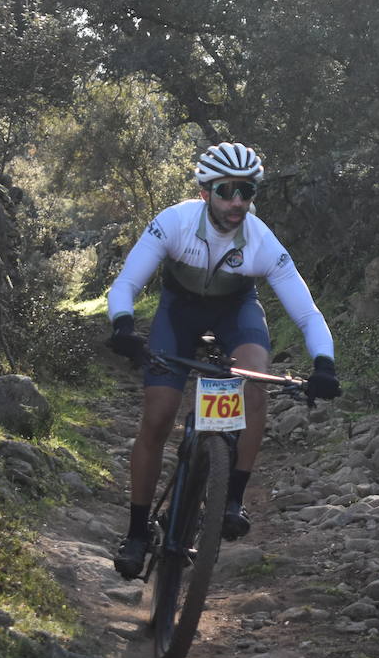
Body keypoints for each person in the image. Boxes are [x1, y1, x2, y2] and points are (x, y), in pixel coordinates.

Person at [105, 142, 341, 579]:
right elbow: (125, 285)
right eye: (227, 191)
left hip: (236, 314)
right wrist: (122, 325)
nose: (237, 203)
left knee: (256, 380)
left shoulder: (262, 240)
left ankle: (232, 497)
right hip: (177, 315)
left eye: (246, 192)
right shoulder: (172, 223)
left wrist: (324, 363)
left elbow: (307, 313)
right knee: (157, 417)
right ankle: (137, 532)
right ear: (205, 191)